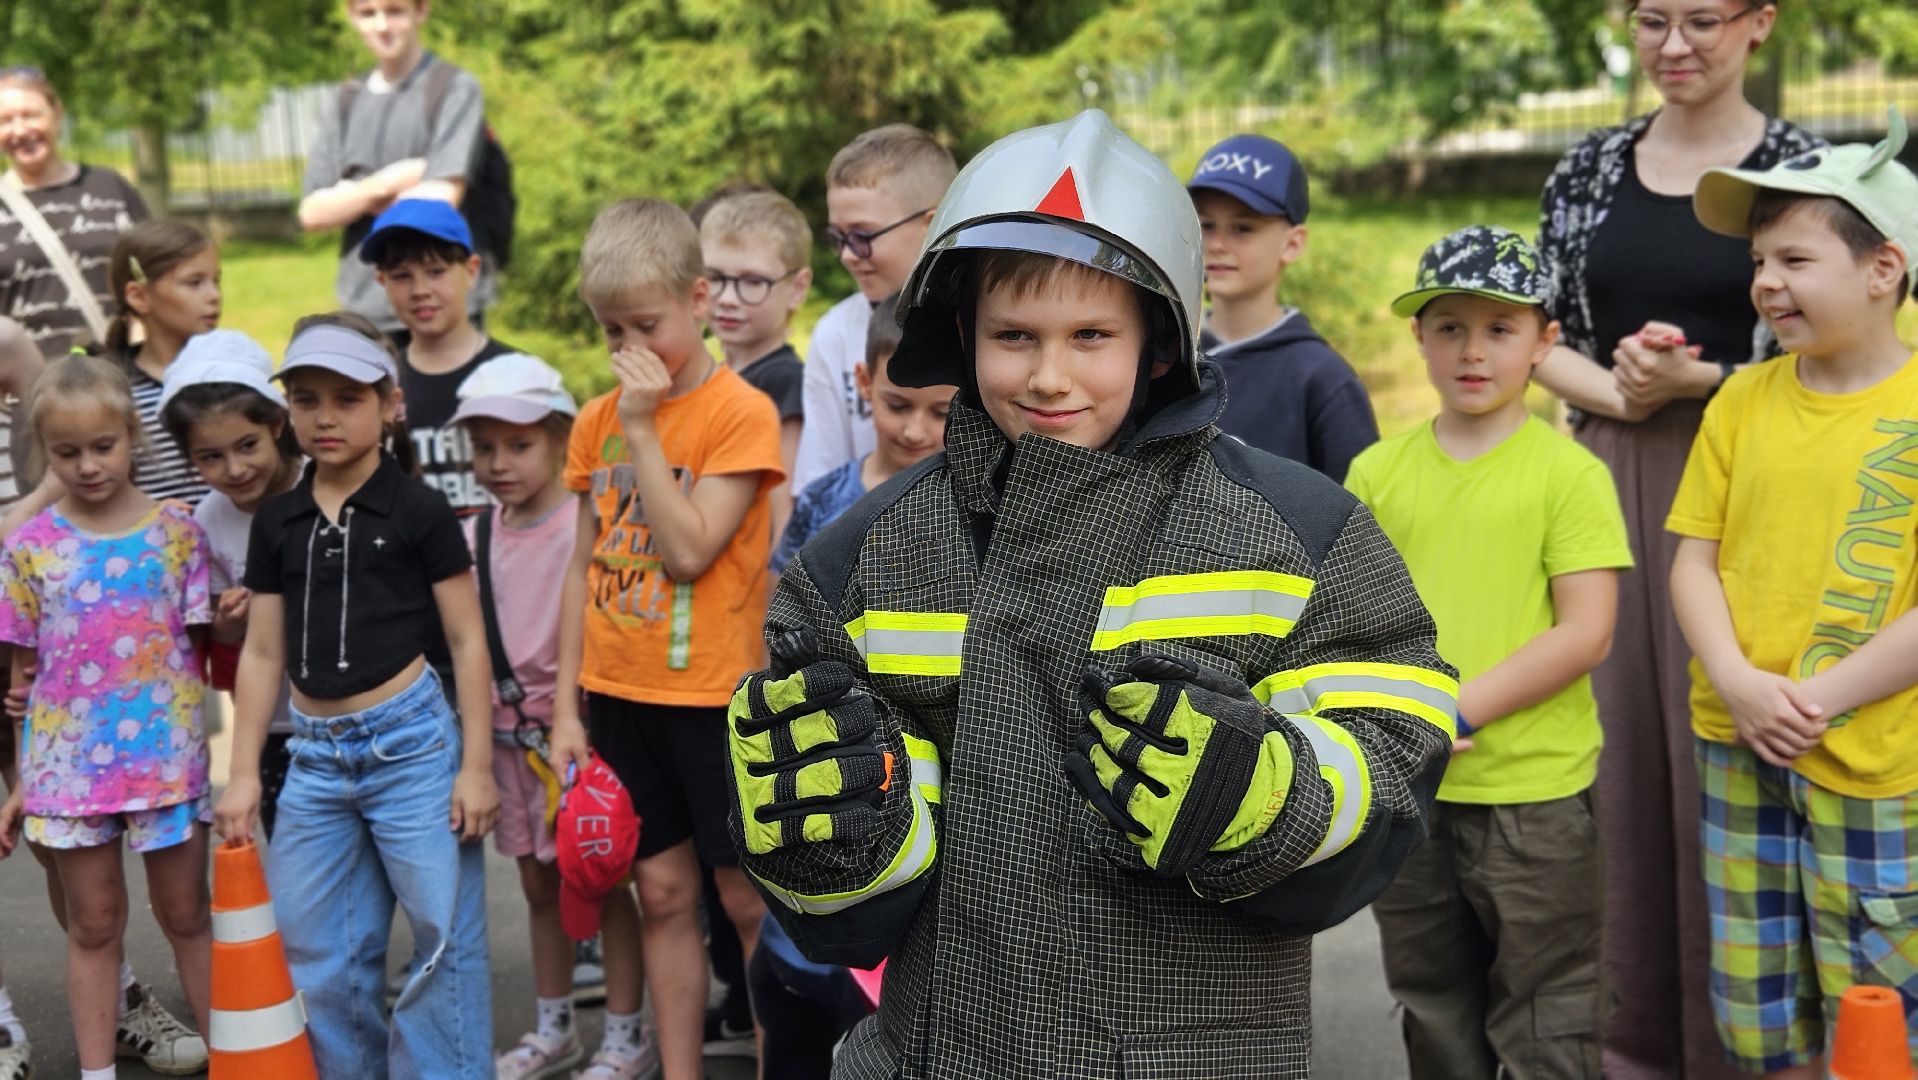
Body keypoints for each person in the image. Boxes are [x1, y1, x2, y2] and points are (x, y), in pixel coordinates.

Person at [725, 109, 1453, 1080]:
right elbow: (834, 890)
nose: (1049, 374)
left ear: (1159, 341)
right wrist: (830, 838)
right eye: (1013, 335)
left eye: (1092, 334)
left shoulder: (1294, 536)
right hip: (934, 1054)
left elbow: (1395, 741)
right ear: (958, 334)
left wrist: (1268, 797)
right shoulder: (863, 560)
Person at [1531, 4, 1821, 1072]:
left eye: (1703, 17)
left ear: (1760, 24)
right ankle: (1628, 1044)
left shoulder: (1804, 165)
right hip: (1611, 477)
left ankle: (1748, 1046)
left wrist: (1698, 380)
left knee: (1735, 756)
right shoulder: (1589, 168)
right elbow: (1535, 333)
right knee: (1616, 761)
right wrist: (1619, 387)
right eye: (1650, 18)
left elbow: (1846, 340)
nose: (1674, 42)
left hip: (1764, 478)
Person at [1349, 226, 1633, 1078]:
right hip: (1414, 791)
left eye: (1500, 330)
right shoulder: (1375, 472)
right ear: (1420, 340)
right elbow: (1355, 623)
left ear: (1545, 343)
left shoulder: (1569, 475)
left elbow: (1587, 631)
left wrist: (1456, 708)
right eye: (1449, 328)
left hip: (1536, 800)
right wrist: (1401, 720)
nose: (1473, 352)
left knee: (1551, 1012)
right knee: (1433, 1004)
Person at [1672, 114, 1918, 1079]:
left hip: (1870, 759)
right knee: (1757, 999)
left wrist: (1819, 698)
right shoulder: (1742, 399)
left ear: (1882, 267)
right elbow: (1693, 560)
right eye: (1758, 261)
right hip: (1738, 740)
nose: (1766, 282)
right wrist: (1737, 681)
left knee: (1878, 1011)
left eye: (1794, 258)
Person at [211, 313, 497, 1079]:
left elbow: (468, 642)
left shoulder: (421, 511)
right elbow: (264, 651)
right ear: (287, 414)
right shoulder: (279, 519)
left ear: (390, 404)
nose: (325, 417)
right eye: (306, 400)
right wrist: (242, 773)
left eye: (347, 398)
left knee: (442, 942)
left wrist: (476, 767)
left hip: (413, 751)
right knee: (318, 952)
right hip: (313, 760)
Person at [545, 198, 783, 1080]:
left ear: (696, 299)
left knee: (744, 901)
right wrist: (565, 707)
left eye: (645, 324)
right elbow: (580, 567)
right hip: (618, 694)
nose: (627, 348)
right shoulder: (593, 419)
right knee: (662, 894)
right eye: (611, 330)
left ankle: (776, 1062)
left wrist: (643, 427)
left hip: (714, 700)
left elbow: (687, 551)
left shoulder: (739, 413)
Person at [0, 354, 213, 1080]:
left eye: (102, 446)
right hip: (69, 771)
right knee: (93, 924)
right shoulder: (28, 549)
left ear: (132, 435)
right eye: (67, 452)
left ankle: (239, 1063)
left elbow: (214, 647)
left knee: (187, 915)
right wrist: (22, 779)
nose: (88, 466)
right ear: (44, 453)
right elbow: (22, 678)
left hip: (167, 761)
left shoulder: (180, 532)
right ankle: (97, 1074)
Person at [444, 352, 647, 1079]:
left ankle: (626, 1034)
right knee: (536, 885)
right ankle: (554, 1025)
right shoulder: (474, 536)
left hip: (579, 740)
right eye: (484, 446)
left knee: (602, 881)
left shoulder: (581, 527)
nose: (500, 463)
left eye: (519, 445)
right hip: (506, 741)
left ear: (562, 438)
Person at [158, 330, 304, 839]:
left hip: (354, 711)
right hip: (273, 725)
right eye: (211, 457)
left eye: (248, 446)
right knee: (295, 856)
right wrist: (225, 625)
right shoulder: (208, 521)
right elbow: (223, 647)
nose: (235, 470)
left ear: (278, 423)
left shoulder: (323, 488)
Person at [1187, 133, 1376, 480]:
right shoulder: (1168, 356)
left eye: (1243, 228)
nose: (1216, 245)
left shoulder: (1323, 380)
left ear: (1292, 244)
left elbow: (1359, 516)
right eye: (1206, 225)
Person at [299, 0, 493, 337]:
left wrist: (351, 196)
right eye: (368, 13)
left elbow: (443, 197)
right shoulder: (347, 99)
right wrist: (387, 183)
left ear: (421, 11)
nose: (382, 25)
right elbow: (312, 213)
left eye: (395, 11)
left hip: (442, 309)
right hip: (364, 309)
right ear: (352, 17)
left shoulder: (454, 88)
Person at [789, 124, 956, 494]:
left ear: (931, 225)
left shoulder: (980, 328)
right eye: (838, 238)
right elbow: (819, 485)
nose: (848, 255)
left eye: (863, 237)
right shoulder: (836, 332)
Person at [771, 292, 953, 577]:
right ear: (864, 382)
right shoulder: (820, 503)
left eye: (941, 413)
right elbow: (778, 608)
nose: (914, 432)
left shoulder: (978, 510)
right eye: (897, 406)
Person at [364, 197, 519, 515]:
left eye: (436, 271)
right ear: (381, 281)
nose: (420, 289)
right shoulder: (377, 385)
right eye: (401, 276)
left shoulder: (518, 375)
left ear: (471, 271)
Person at [0, 68, 149, 359]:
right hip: (30, 391)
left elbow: (157, 272)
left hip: (119, 376)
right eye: (5, 120)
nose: (20, 130)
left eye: (31, 115)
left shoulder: (110, 187)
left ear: (56, 114)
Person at [701, 190, 811, 540]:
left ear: (797, 287)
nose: (728, 299)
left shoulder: (784, 381)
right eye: (715, 278)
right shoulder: (712, 377)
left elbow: (782, 517)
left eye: (753, 282)